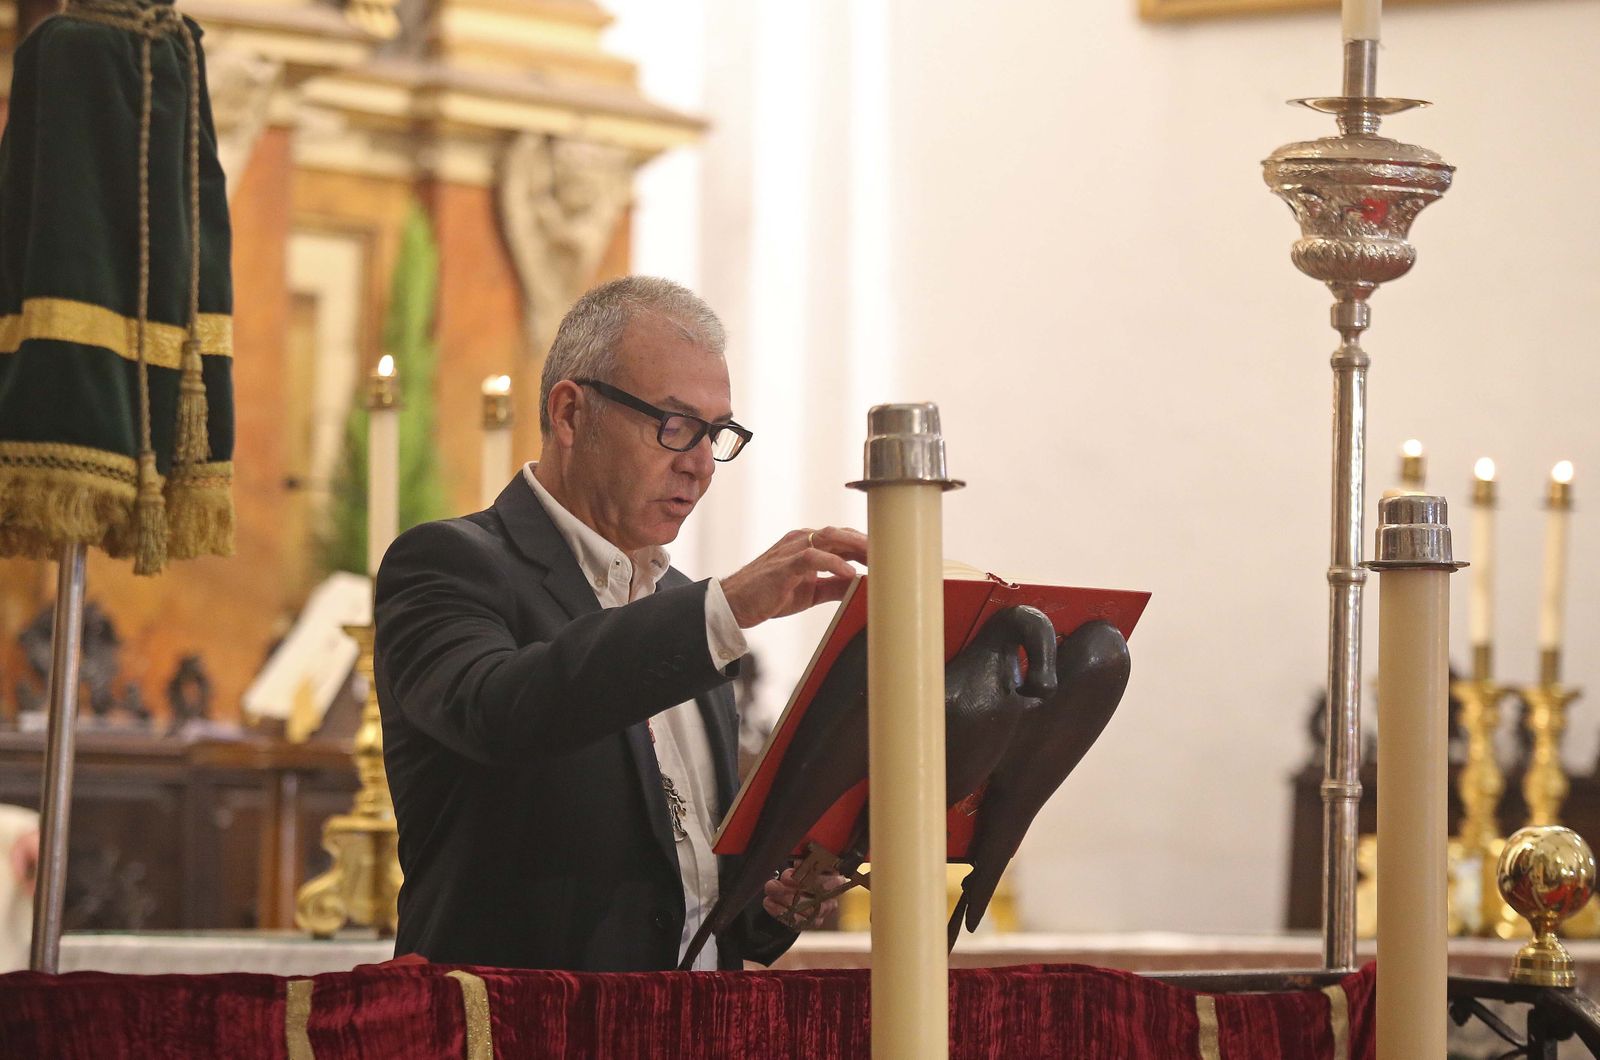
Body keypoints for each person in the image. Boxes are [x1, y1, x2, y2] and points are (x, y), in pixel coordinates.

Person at [374, 276, 865, 971]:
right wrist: (722, 612)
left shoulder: (686, 607)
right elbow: (499, 712)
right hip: (521, 1017)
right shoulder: (449, 564)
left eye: (716, 434)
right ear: (571, 414)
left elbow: (688, 886)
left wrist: (772, 900)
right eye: (675, 425)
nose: (700, 464)